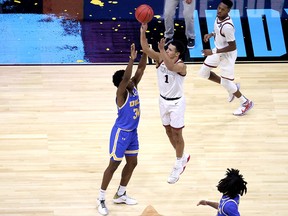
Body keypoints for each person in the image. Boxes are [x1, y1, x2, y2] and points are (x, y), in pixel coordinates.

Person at [97, 43, 147, 216]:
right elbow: (127, 78)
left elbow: (141, 69)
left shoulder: (133, 87)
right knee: (113, 165)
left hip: (133, 133)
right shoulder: (122, 94)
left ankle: (121, 193)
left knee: (133, 162)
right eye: (128, 80)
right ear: (122, 84)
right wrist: (130, 60)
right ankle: (101, 198)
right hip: (121, 134)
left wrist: (145, 50)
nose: (132, 80)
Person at [140, 23, 190, 184]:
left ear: (178, 54)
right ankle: (182, 157)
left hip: (176, 103)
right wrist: (143, 32)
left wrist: (161, 51)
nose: (167, 51)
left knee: (177, 134)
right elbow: (146, 49)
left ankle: (177, 165)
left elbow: (170, 66)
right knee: (168, 132)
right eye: (166, 49)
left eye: (170, 50)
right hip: (162, 101)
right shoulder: (161, 58)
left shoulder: (182, 66)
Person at [198, 0, 254, 116]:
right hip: (218, 51)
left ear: (228, 11)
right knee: (203, 73)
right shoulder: (218, 17)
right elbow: (217, 30)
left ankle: (246, 102)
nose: (219, 10)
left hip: (227, 55)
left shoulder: (228, 26)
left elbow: (233, 46)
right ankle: (231, 87)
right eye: (219, 8)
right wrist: (211, 34)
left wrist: (213, 51)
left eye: (223, 9)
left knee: (226, 82)